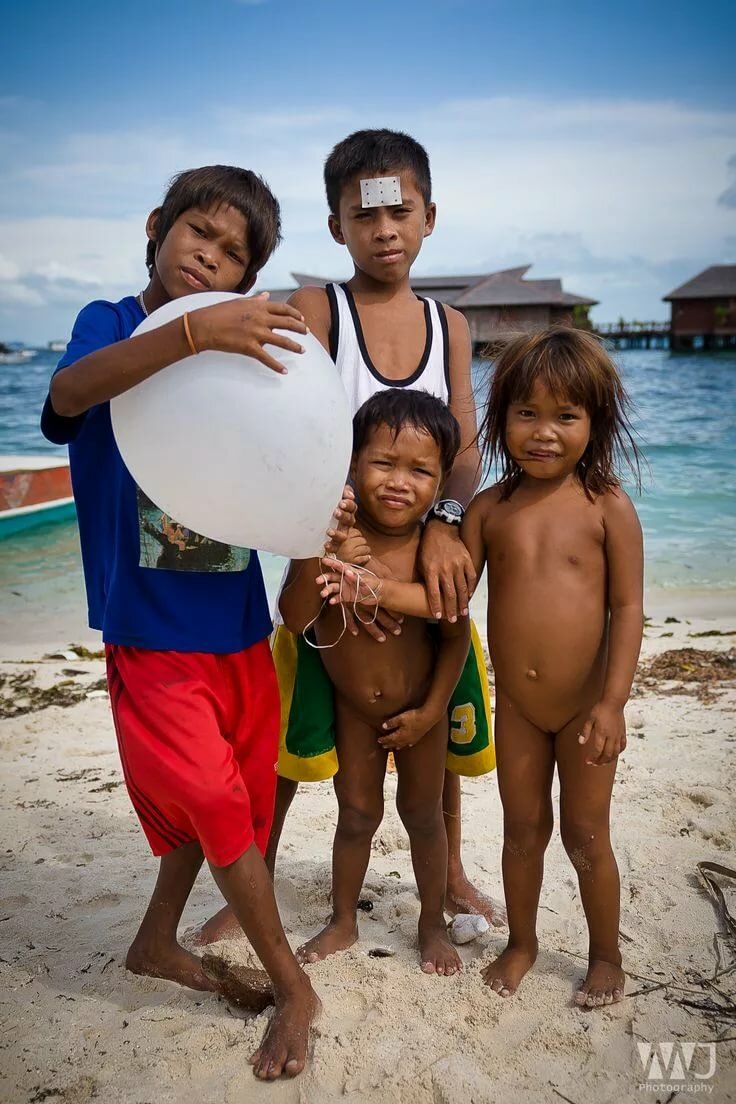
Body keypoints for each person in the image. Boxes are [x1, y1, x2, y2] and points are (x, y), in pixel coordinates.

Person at [40, 165, 322, 1080]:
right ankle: (294, 988)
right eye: (200, 233)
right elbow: (67, 399)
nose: (212, 257)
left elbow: (291, 458)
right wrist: (195, 331)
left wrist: (324, 535)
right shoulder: (110, 324)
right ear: (158, 226)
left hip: (236, 623)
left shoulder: (240, 359)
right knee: (210, 802)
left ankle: (157, 940)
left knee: (231, 803)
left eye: (235, 256)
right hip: (150, 628)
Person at [323, 326, 644, 1007]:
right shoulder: (492, 509)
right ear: (500, 421)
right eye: (526, 413)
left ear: (596, 421)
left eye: (566, 416)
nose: (544, 433)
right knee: (521, 832)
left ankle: (605, 955)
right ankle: (522, 942)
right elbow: (449, 599)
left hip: (588, 709)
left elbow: (629, 608)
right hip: (520, 712)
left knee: (588, 837)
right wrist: (391, 559)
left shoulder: (607, 507)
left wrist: (613, 702)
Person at [231, 128, 500, 931]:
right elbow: (285, 427)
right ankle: (258, 882)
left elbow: (464, 441)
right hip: (328, 562)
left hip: (417, 571)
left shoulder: (448, 323)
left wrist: (450, 522)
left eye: (400, 212)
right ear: (336, 226)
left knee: (432, 738)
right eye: (364, 214)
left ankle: (447, 876)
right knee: (283, 741)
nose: (384, 230)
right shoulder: (319, 309)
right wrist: (329, 534)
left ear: (429, 217)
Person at [282, 388, 472, 974]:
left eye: (420, 470)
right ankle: (343, 921)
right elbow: (293, 617)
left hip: (421, 711)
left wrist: (433, 709)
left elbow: (456, 635)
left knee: (422, 816)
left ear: (440, 486)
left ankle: (431, 925)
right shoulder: (326, 537)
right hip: (352, 710)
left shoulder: (433, 553)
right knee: (356, 814)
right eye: (383, 463)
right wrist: (321, 548)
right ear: (352, 465)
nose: (398, 481)